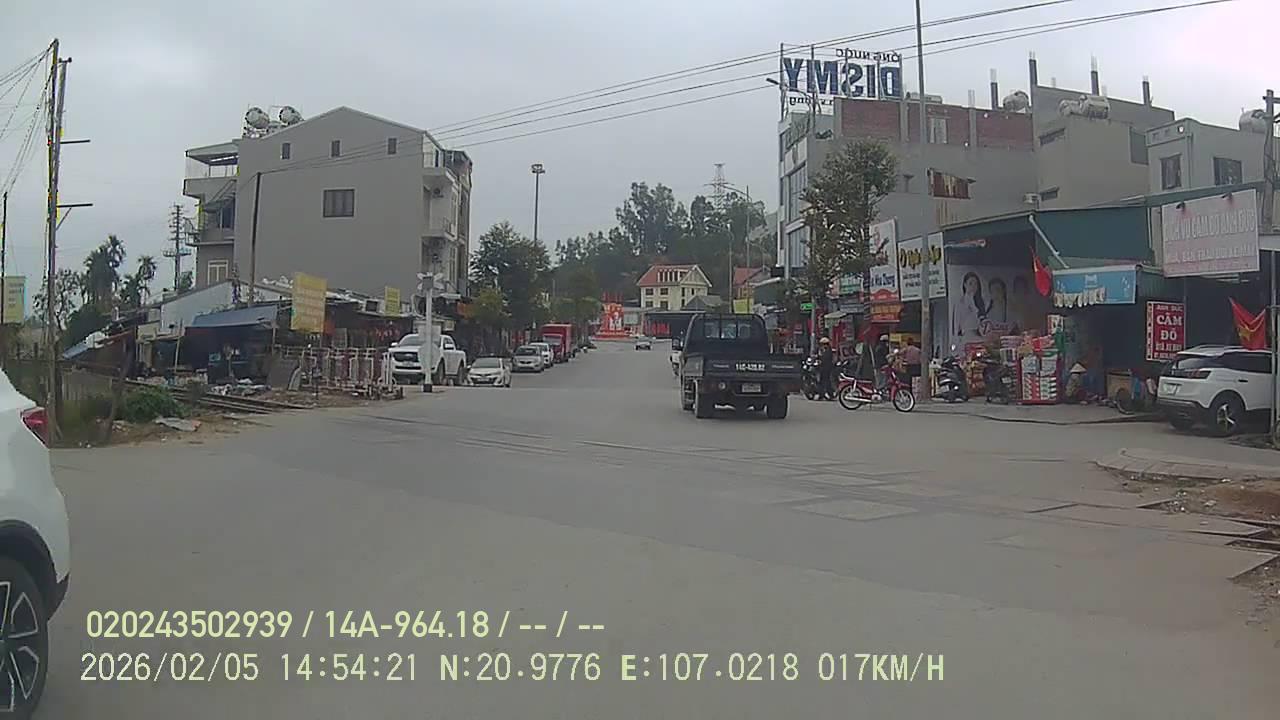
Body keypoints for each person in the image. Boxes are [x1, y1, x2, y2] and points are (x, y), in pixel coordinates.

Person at [952, 271, 987, 343]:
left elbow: (982, 321)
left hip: (980, 337)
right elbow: (956, 325)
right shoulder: (959, 303)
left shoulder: (980, 302)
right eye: (970, 283)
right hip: (966, 338)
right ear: (965, 284)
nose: (973, 287)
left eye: (975, 284)